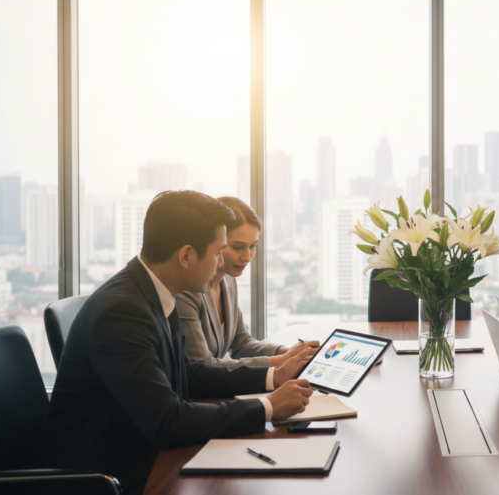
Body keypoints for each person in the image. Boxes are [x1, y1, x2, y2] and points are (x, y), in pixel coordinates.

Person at [44, 191, 317, 495]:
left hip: (145, 449)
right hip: (111, 474)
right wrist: (267, 407)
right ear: (187, 255)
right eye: (217, 253)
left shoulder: (154, 292)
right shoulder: (122, 312)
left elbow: (188, 372)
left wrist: (273, 377)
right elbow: (168, 421)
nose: (220, 265)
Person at [177, 196, 319, 368]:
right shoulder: (187, 289)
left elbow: (241, 344)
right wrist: (282, 361)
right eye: (237, 246)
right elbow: (202, 365)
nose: (247, 257)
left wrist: (288, 352)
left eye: (253, 246)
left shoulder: (228, 280)